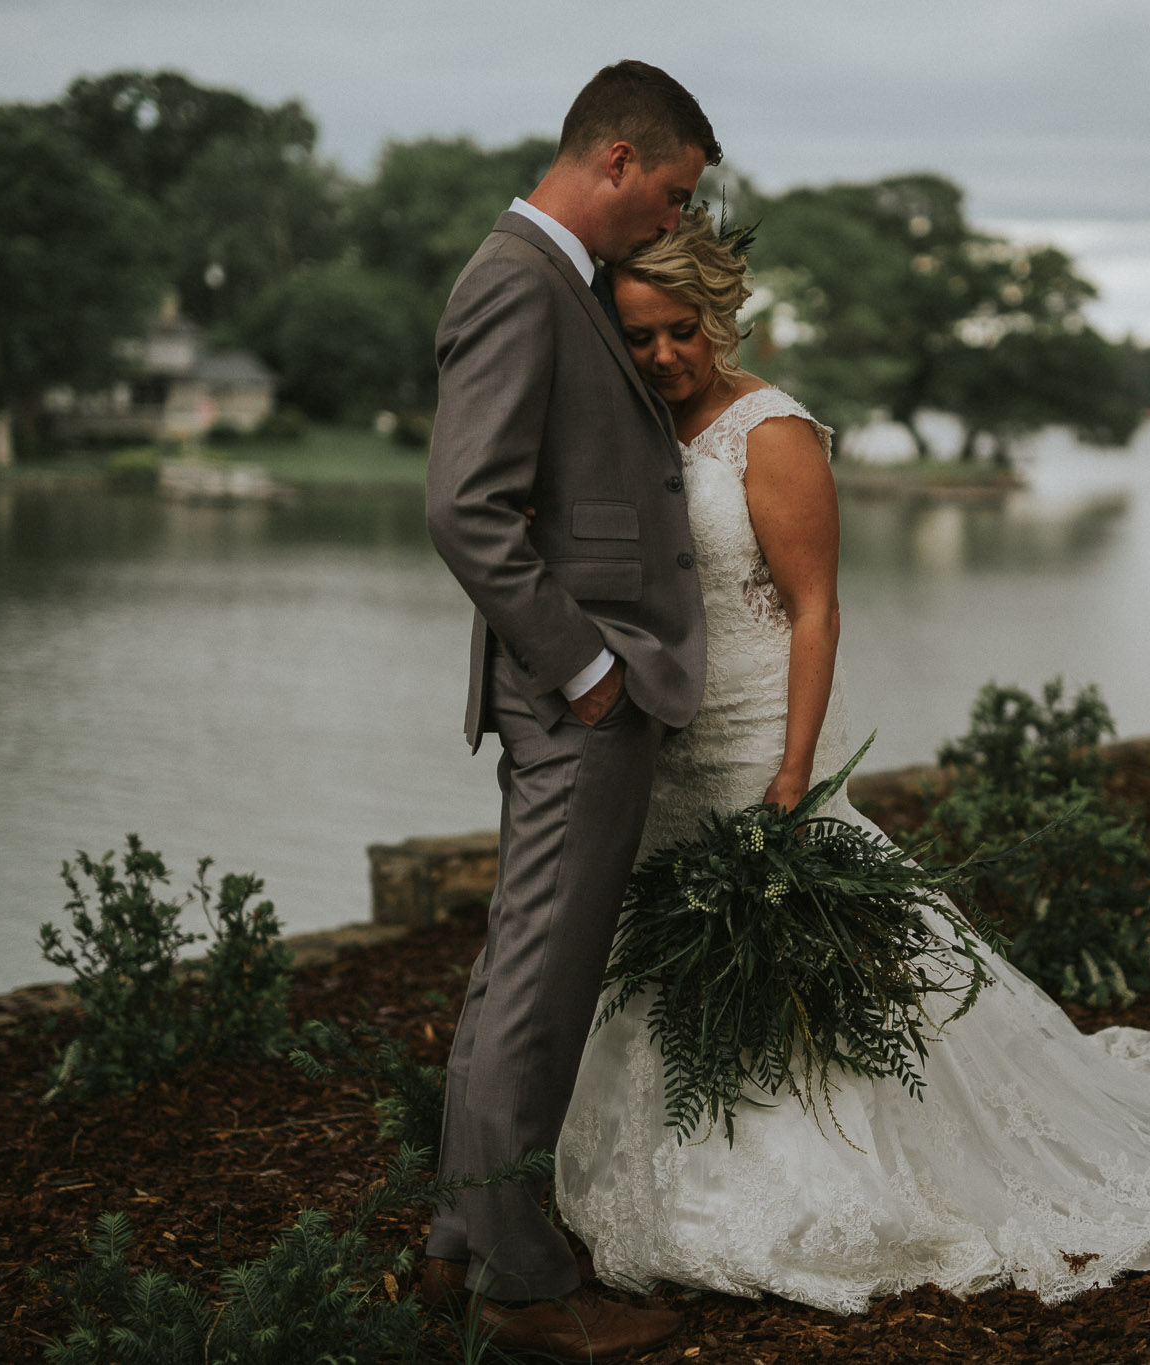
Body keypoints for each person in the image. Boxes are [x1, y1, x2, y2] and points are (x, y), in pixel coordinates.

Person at [553, 207, 1150, 1316]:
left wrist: (794, 771)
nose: (665, 354)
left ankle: (807, 1179)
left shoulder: (771, 433)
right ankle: (652, 1161)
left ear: (722, 318)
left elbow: (815, 612)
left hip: (761, 730)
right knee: (663, 940)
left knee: (792, 947)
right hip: (666, 743)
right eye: (639, 336)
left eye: (684, 330)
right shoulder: (632, 426)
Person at [420, 60, 717, 1362]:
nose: (672, 220)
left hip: (579, 689)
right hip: (575, 695)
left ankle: (457, 1244)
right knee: (537, 990)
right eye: (672, 193)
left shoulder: (564, 279)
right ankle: (524, 1290)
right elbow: (465, 509)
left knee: (517, 978)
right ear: (616, 158)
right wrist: (588, 670)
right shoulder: (517, 279)